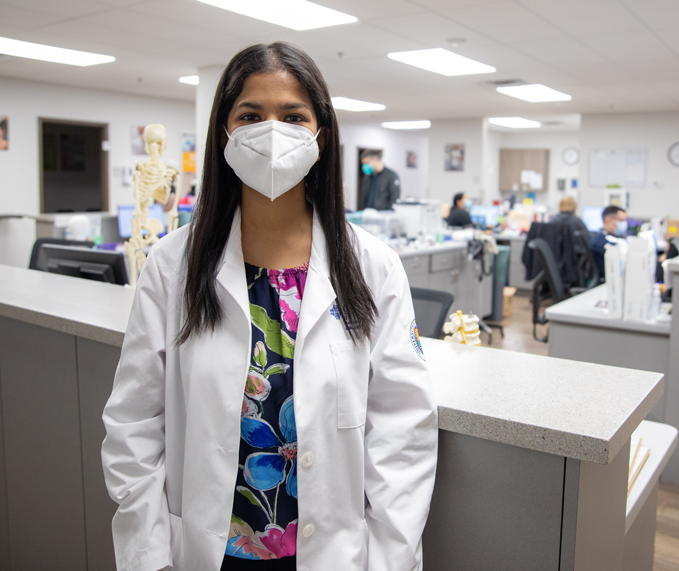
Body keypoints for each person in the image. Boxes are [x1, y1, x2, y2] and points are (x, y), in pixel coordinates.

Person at [101, 42, 438, 571]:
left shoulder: (373, 267)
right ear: (224, 134)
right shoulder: (173, 266)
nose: (273, 131)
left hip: (335, 556)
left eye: (294, 116)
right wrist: (149, 556)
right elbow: (134, 425)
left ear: (321, 136)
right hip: (210, 553)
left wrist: (389, 558)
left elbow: (405, 432)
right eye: (251, 115)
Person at [589, 205, 627, 280]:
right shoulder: (599, 240)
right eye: (621, 220)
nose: (624, 223)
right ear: (608, 220)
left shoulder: (615, 238)